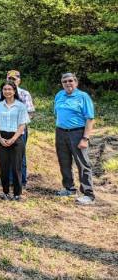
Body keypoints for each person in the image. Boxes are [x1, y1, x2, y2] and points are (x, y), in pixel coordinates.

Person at [53, 72, 95, 205]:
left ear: (76, 82)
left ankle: (88, 194)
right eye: (64, 81)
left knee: (82, 164)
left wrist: (85, 138)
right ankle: (69, 188)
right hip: (60, 132)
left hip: (77, 133)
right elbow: (57, 113)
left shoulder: (83, 97)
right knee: (64, 162)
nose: (67, 83)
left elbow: (90, 118)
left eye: (70, 81)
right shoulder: (59, 95)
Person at [0, 70, 35, 187]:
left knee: (19, 156)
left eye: (14, 79)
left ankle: (21, 181)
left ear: (19, 80)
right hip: (4, 129)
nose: (12, 81)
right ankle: (8, 180)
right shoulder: (1, 93)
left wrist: (20, 126)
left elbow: (30, 113)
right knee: (5, 156)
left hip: (19, 130)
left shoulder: (24, 94)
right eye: (10, 79)